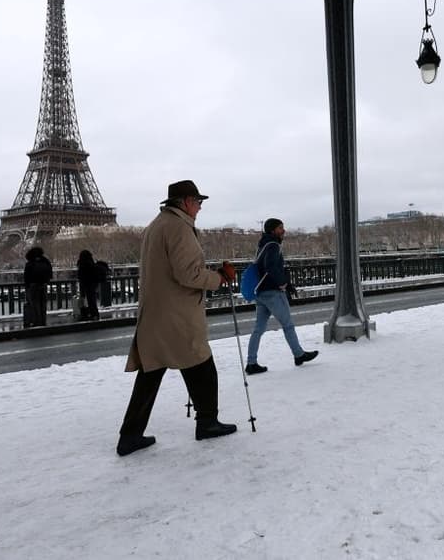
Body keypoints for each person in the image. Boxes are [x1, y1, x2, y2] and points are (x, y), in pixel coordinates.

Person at [116, 180, 240, 457]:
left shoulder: (157, 225)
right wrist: (218, 278)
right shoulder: (179, 228)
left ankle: (130, 435)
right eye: (197, 202)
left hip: (156, 314)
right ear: (184, 202)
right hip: (177, 315)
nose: (199, 207)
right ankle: (207, 422)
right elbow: (188, 275)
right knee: (202, 366)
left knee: (151, 373)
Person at [244, 218, 318, 375]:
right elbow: (271, 267)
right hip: (273, 292)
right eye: (280, 228)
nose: (283, 230)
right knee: (288, 325)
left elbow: (263, 267)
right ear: (272, 230)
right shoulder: (273, 245)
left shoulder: (262, 245)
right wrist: (283, 283)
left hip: (261, 292)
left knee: (258, 329)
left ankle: (251, 363)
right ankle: (299, 355)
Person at [23, 246, 53, 327]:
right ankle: (43, 321)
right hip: (43, 285)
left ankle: (36, 322)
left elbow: (26, 276)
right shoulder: (45, 261)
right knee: (43, 304)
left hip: (33, 286)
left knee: (34, 305)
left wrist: (27, 286)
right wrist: (46, 281)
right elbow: (50, 272)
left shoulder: (30, 263)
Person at [76, 250, 102, 321]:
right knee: (91, 300)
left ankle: (84, 314)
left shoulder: (82, 264)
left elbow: (80, 275)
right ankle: (94, 314)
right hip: (91, 284)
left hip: (84, 284)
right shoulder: (91, 264)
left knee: (83, 300)